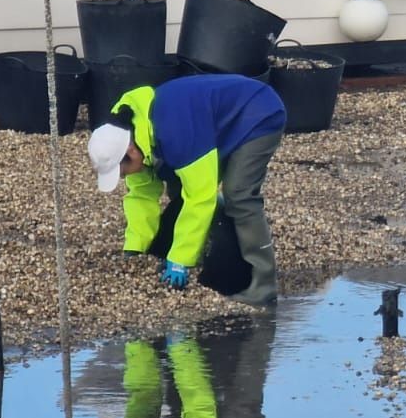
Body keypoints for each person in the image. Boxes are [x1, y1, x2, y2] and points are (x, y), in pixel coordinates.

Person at [87, 73, 287, 306]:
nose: (122, 176)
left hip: (255, 112)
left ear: (131, 151)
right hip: (211, 121)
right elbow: (141, 196)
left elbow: (199, 198)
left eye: (121, 171)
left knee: (239, 195)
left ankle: (263, 284)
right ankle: (200, 248)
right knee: (178, 189)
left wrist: (180, 260)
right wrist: (134, 250)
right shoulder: (125, 129)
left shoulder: (176, 133)